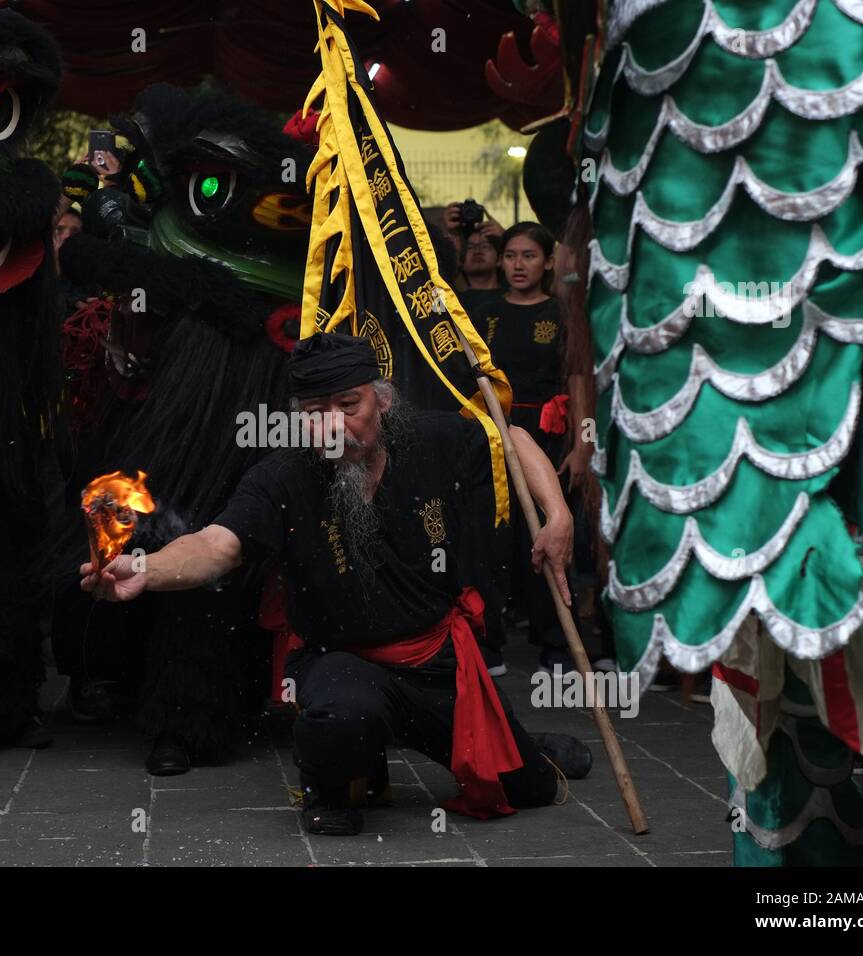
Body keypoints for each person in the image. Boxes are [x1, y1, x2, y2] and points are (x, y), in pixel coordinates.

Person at [80, 333, 592, 835]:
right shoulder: (281, 477)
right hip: (342, 662)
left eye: (349, 405)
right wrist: (143, 571)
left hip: (437, 661)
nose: (332, 426)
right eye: (313, 411)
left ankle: (527, 745)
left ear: (382, 400)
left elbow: (512, 437)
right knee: (339, 715)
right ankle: (329, 789)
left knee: (530, 790)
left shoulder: (431, 440)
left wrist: (558, 515)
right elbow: (217, 545)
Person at [469, 221, 586, 673]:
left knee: (550, 535)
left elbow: (578, 381)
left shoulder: (561, 314)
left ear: (548, 262)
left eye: (530, 256)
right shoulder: (483, 312)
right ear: (501, 261)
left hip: (548, 437)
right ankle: (489, 642)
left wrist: (582, 446)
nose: (519, 265)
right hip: (495, 434)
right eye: (512, 255)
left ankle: (557, 644)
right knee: (491, 540)